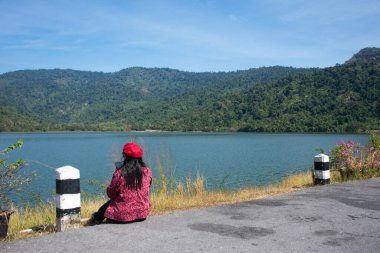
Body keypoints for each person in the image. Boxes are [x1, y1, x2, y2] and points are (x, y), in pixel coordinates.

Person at [90, 142, 152, 224]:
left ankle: (95, 219)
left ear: (125, 156)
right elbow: (148, 188)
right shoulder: (147, 171)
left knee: (110, 203)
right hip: (142, 214)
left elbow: (111, 194)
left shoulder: (120, 173)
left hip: (121, 216)